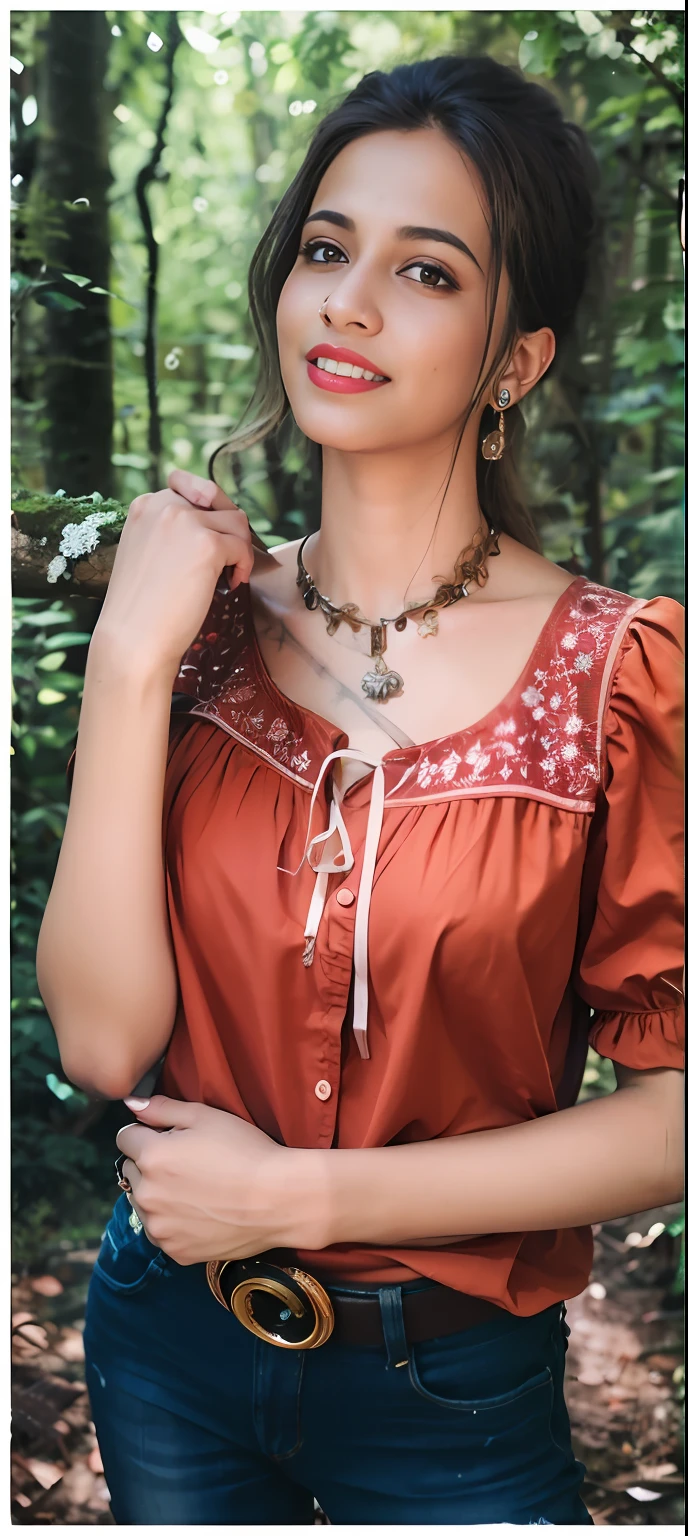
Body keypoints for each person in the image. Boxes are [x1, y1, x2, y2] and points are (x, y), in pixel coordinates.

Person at [36, 54, 684, 1526]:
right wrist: (132, 661)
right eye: (327, 250)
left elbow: (673, 1114)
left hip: (451, 1394)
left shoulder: (622, 675)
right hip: (165, 1350)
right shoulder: (190, 633)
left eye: (428, 271)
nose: (349, 300)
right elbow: (101, 1038)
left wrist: (308, 1201)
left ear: (517, 360)